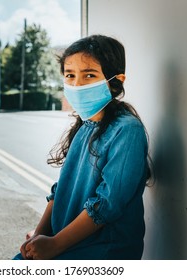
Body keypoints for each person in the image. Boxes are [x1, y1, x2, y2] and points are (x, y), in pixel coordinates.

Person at [13, 34, 152, 260]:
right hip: (63, 243)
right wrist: (39, 236)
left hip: (103, 251)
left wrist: (55, 244)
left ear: (116, 80)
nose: (77, 84)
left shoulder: (127, 130)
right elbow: (60, 190)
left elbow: (106, 205)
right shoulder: (84, 126)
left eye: (89, 75)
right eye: (70, 75)